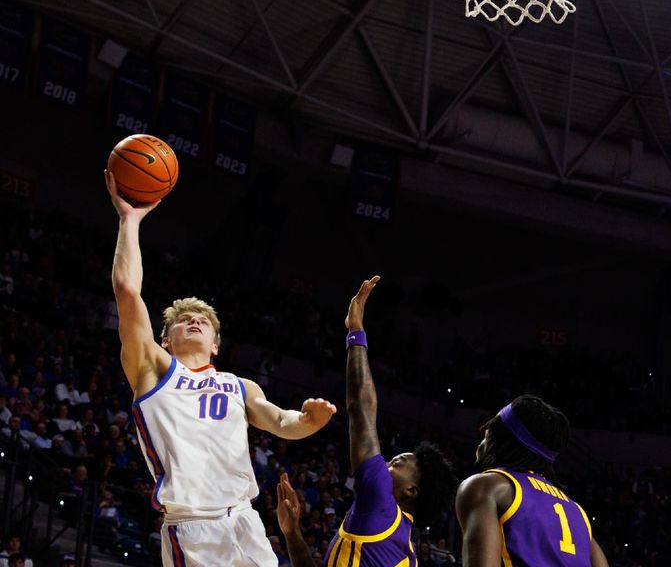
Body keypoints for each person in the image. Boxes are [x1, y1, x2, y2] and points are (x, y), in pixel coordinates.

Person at [105, 170, 337, 566]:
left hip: (245, 521)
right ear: (165, 340)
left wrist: (308, 422)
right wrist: (130, 220)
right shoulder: (152, 371)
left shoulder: (239, 386)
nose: (194, 321)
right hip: (194, 527)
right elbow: (127, 292)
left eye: (204, 321)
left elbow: (281, 422)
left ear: (216, 343)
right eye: (183, 321)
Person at [277, 277, 459, 566]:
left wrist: (356, 331)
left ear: (410, 491)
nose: (384, 463)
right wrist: (292, 532)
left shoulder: (381, 508)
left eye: (396, 464)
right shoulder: (398, 546)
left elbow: (361, 410)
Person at [456, 394, 609, 566]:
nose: (484, 430)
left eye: (493, 426)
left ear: (506, 436)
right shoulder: (578, 513)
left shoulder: (488, 486)